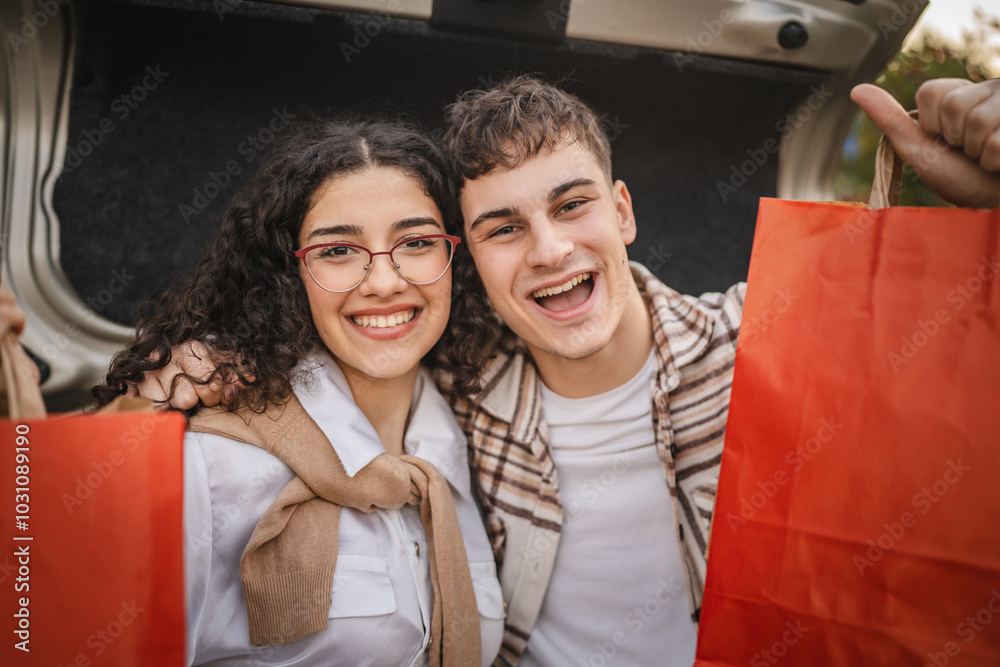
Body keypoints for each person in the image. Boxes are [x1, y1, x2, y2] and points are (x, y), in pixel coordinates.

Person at [130, 76, 1000, 666]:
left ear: (621, 211)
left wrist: (986, 205)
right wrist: (179, 379)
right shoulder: (453, 400)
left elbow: (956, 366)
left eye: (572, 204)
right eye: (505, 227)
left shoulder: (778, 341)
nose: (550, 251)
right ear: (470, 257)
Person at [94, 119, 505, 666]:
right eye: (338, 250)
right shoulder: (206, 460)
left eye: (417, 242)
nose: (384, 282)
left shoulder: (477, 437)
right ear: (289, 275)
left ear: (456, 260)